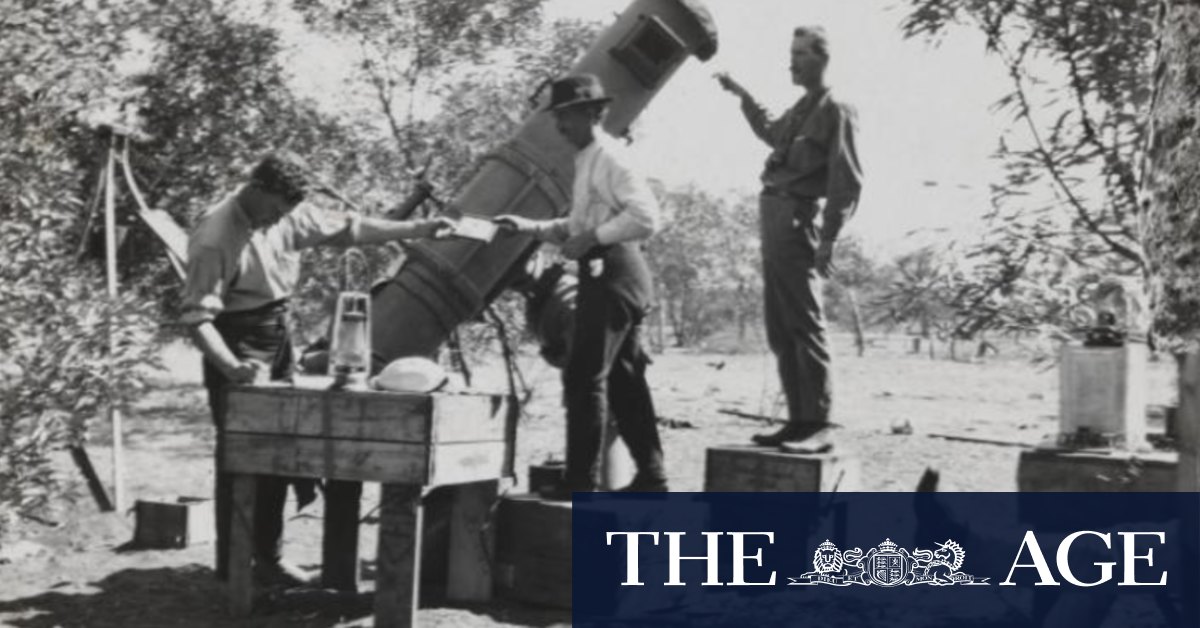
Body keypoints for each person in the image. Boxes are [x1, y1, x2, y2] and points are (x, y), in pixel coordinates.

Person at [180, 151, 452, 586]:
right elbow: (197, 318)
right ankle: (235, 568)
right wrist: (232, 368)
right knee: (243, 456)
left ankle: (268, 558)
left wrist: (420, 228)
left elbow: (352, 228)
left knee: (284, 454)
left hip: (277, 333)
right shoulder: (215, 237)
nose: (278, 219)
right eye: (275, 209)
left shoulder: (285, 213)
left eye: (286, 212)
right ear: (258, 189)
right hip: (235, 340)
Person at [494, 74, 668, 498]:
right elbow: (575, 227)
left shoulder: (610, 157)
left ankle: (580, 484)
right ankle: (652, 478)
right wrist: (529, 227)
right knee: (624, 380)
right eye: (558, 118)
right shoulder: (588, 159)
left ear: (594, 113)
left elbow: (647, 218)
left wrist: (593, 239)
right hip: (606, 273)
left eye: (567, 116)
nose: (560, 126)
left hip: (614, 272)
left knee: (583, 378)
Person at [716, 25, 863, 448]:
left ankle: (817, 424)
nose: (792, 61)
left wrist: (830, 238)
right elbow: (772, 132)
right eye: (791, 53)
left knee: (805, 324)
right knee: (781, 327)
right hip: (774, 216)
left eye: (800, 53)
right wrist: (743, 96)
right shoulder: (804, 107)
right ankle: (798, 421)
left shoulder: (837, 109)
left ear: (822, 58)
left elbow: (846, 178)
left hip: (798, 220)